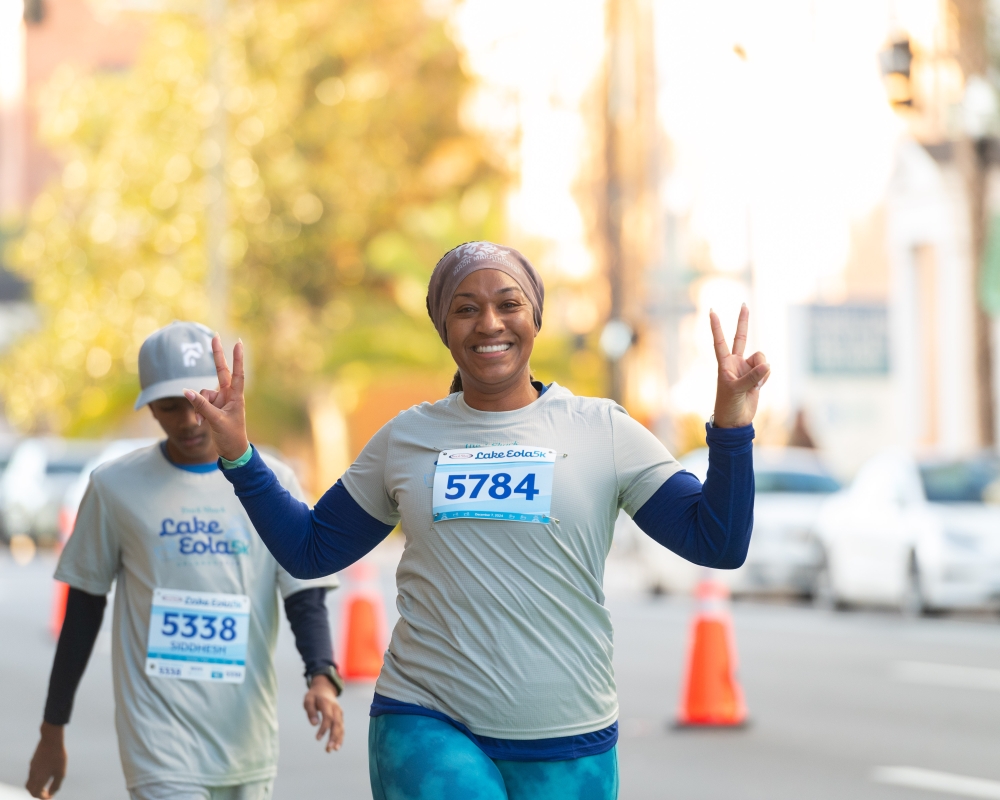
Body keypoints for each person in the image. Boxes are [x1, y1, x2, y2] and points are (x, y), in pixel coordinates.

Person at [189, 241, 770, 800]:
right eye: (465, 309)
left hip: (568, 735)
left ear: (535, 318)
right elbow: (311, 549)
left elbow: (716, 542)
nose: (489, 322)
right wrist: (240, 456)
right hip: (426, 717)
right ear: (444, 329)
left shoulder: (603, 429)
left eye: (508, 304)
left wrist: (733, 423)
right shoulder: (406, 437)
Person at [26, 322, 345, 800]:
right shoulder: (115, 487)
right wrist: (53, 730)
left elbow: (304, 593)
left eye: (202, 401)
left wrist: (322, 675)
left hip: (246, 741)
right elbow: (83, 609)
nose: (191, 421)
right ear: (149, 407)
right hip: (159, 743)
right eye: (171, 407)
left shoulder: (272, 479)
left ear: (225, 392)